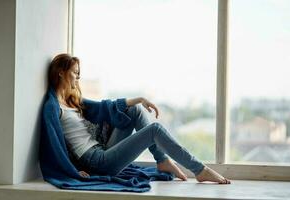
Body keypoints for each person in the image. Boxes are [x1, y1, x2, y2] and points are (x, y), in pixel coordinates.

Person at [47, 53, 231, 184]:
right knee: (155, 130)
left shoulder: (72, 100)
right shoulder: (52, 107)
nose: (78, 77)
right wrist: (72, 171)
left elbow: (105, 107)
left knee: (134, 110)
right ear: (61, 72)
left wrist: (139, 99)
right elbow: (54, 146)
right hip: (95, 162)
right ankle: (199, 170)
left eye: (79, 73)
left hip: (102, 150)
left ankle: (162, 160)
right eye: (74, 72)